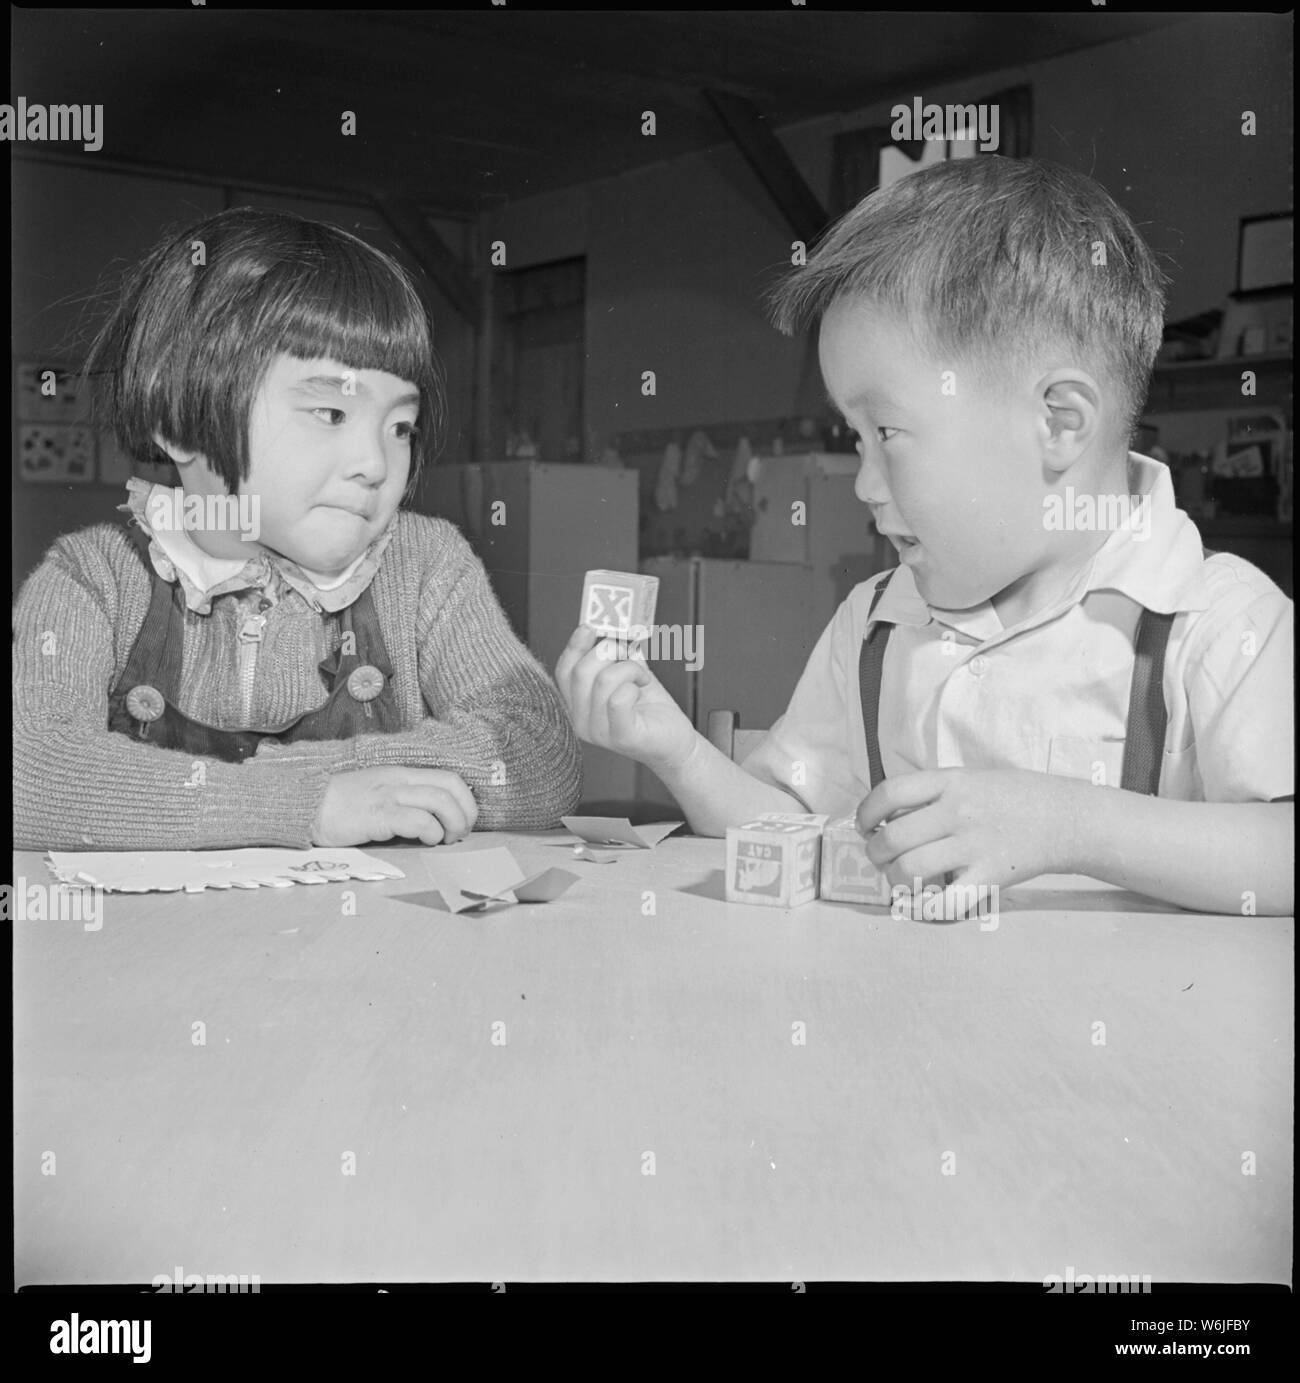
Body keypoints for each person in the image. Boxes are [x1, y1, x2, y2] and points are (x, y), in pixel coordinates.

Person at [557, 157, 1293, 916]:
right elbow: (787, 827)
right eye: (854, 437)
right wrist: (673, 748)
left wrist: (1069, 823)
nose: (864, 483)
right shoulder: (876, 621)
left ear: (1060, 423)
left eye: (888, 431)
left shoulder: (1221, 624)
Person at [14, 208, 581, 850]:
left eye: (400, 427)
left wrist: (281, 786)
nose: (376, 465)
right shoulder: (91, 579)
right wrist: (302, 804)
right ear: (181, 420)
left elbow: (537, 754)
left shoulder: (426, 567)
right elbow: (28, 772)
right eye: (331, 412)